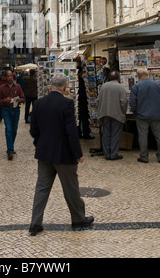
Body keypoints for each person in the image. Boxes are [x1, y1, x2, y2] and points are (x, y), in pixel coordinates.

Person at [29, 73, 94, 236]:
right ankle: (78, 218)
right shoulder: (67, 104)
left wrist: (40, 143)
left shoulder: (38, 104)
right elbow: (71, 132)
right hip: (64, 155)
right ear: (65, 87)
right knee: (71, 188)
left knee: (41, 189)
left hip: (44, 154)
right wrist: (78, 153)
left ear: (51, 86)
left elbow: (33, 130)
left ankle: (35, 223)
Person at [129, 68, 160, 164]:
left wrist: (135, 113)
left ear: (139, 75)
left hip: (142, 115)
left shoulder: (136, 87)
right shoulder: (157, 85)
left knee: (142, 136)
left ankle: (144, 157)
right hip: (156, 114)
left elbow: (133, 103)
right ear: (147, 74)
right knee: (159, 136)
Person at [97, 71, 128, 161]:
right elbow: (123, 102)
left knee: (106, 133)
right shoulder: (120, 87)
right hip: (116, 114)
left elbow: (98, 100)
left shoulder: (103, 87)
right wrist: (124, 111)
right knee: (115, 134)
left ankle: (107, 153)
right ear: (118, 78)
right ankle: (113, 154)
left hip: (105, 113)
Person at [0, 70, 25, 160]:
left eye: (11, 76)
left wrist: (19, 100)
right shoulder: (2, 88)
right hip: (6, 110)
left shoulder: (17, 87)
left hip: (16, 110)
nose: (10, 78)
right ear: (5, 77)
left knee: (14, 130)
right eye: (8, 76)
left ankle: (11, 146)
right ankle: (10, 150)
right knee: (8, 129)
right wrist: (5, 100)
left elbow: (23, 98)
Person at [77, 67, 94, 139]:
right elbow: (83, 93)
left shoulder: (77, 80)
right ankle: (86, 134)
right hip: (82, 103)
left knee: (79, 119)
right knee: (84, 119)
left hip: (78, 103)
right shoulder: (80, 80)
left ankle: (79, 134)